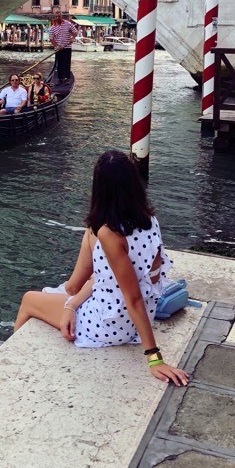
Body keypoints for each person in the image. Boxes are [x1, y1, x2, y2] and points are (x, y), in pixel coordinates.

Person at [14, 150, 189, 387]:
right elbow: (125, 280)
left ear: (99, 188)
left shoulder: (108, 233)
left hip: (108, 325)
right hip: (134, 321)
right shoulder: (150, 220)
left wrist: (155, 358)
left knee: (29, 300)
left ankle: (13, 371)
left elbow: (132, 296)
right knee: (67, 290)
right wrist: (72, 304)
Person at [48, 11, 78, 82]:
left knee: (66, 63)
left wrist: (72, 38)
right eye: (56, 17)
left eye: (59, 16)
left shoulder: (68, 23)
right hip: (58, 48)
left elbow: (75, 32)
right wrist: (57, 46)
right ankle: (60, 78)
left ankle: (67, 78)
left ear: (61, 17)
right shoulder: (52, 28)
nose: (57, 18)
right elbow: (51, 39)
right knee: (59, 63)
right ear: (54, 18)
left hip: (67, 47)